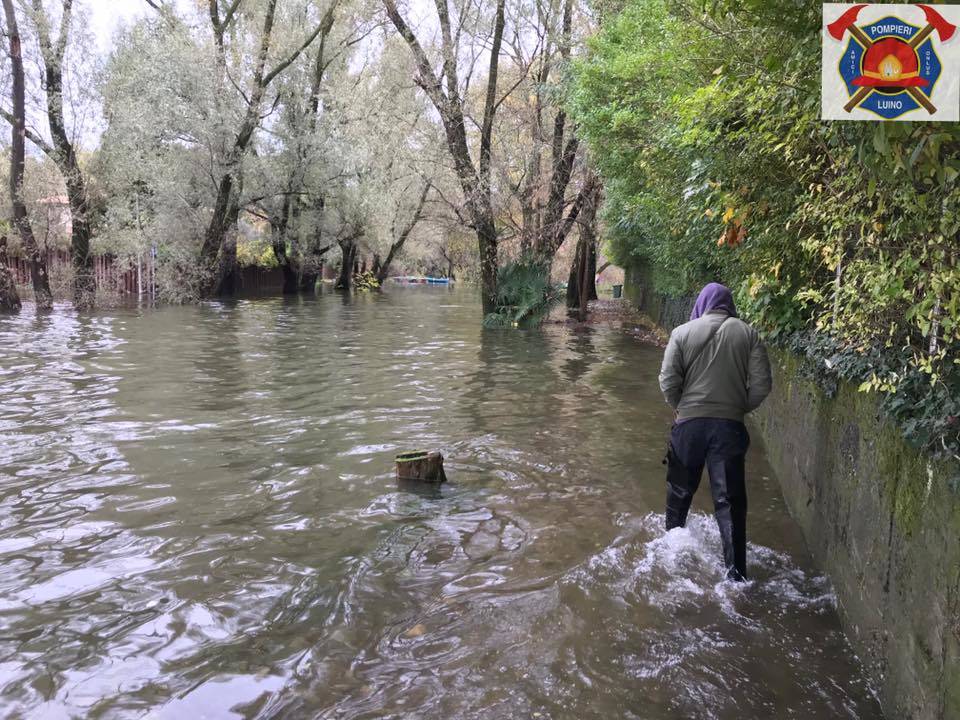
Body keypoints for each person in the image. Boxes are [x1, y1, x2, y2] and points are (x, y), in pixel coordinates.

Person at [658, 283, 772, 581]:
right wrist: (737, 408)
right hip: (729, 429)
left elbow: (668, 381)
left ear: (702, 304)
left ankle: (670, 565)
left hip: (688, 428)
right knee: (729, 502)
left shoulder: (681, 333)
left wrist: (682, 407)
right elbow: (762, 384)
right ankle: (736, 577)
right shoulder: (748, 334)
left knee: (679, 494)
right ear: (729, 304)